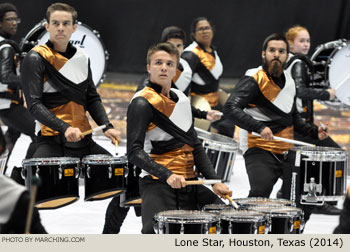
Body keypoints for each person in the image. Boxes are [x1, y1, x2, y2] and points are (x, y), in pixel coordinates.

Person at [20, 2, 121, 232]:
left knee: (123, 182)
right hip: (50, 140)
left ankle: (110, 239)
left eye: (66, 24)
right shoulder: (36, 58)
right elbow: (34, 105)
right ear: (47, 26)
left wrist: (107, 126)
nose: (60, 28)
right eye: (55, 23)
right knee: (28, 197)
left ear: (75, 28)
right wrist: (64, 127)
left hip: (83, 141)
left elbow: (92, 98)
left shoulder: (83, 58)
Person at [127, 42, 232, 234]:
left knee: (228, 221)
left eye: (169, 63)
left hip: (189, 180)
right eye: (158, 62)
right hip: (157, 180)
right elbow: (134, 152)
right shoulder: (141, 102)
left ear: (176, 70)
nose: (164, 67)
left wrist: (214, 180)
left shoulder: (182, 99)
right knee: (155, 232)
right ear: (149, 67)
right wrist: (167, 175)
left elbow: (195, 145)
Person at [223, 33, 328, 220]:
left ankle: (286, 236)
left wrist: (314, 132)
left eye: (281, 51)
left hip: (285, 150)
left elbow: (293, 119)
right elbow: (230, 107)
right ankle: (243, 232)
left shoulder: (290, 82)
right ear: (264, 54)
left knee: (305, 196)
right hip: (258, 147)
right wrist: (259, 127)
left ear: (287, 56)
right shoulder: (254, 79)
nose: (276, 55)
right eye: (272, 50)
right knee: (260, 190)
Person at [285, 25, 341, 215]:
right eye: (301, 40)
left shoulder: (293, 62)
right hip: (298, 124)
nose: (306, 44)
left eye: (308, 40)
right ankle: (319, 200)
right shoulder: (297, 63)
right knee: (332, 153)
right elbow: (300, 91)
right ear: (290, 44)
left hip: (298, 122)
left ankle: (300, 194)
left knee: (317, 157)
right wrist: (326, 93)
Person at [137, 26, 221, 122]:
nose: (175, 50)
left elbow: (179, 101)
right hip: (160, 123)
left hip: (181, 119)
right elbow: (143, 100)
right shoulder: (157, 70)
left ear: (183, 47)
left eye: (179, 46)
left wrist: (203, 114)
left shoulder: (187, 66)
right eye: (171, 45)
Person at [181, 17, 234, 137]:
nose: (205, 31)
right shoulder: (190, 55)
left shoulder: (212, 51)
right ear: (194, 34)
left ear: (212, 31)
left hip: (216, 104)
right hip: (200, 107)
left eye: (207, 28)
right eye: (200, 29)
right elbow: (183, 85)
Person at [0, 3, 37, 170]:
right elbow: (5, 77)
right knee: (40, 134)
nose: (14, 23)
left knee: (12, 135)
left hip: (5, 103)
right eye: (9, 19)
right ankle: (24, 174)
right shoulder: (6, 47)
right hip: (6, 105)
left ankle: (2, 173)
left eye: (16, 19)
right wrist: (29, 80)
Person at [0, 128, 46, 234]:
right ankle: (27, 171)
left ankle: (26, 171)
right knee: (35, 134)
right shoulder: (18, 199)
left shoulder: (18, 199)